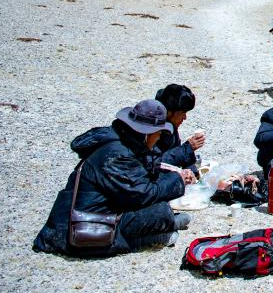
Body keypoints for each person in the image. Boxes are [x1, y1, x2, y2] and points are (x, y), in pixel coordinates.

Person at [33, 99, 196, 257]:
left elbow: (145, 173)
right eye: (158, 133)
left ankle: (165, 225)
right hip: (79, 226)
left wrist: (176, 174)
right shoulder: (117, 156)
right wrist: (178, 180)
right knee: (160, 211)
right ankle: (144, 239)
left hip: (99, 210)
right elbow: (143, 194)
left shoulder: (123, 141)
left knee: (161, 206)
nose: (159, 137)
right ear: (146, 134)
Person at [155, 84, 205, 175]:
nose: (185, 118)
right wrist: (187, 148)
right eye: (183, 113)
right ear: (169, 112)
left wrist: (194, 173)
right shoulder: (151, 131)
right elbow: (154, 163)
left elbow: (176, 150)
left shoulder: (170, 126)